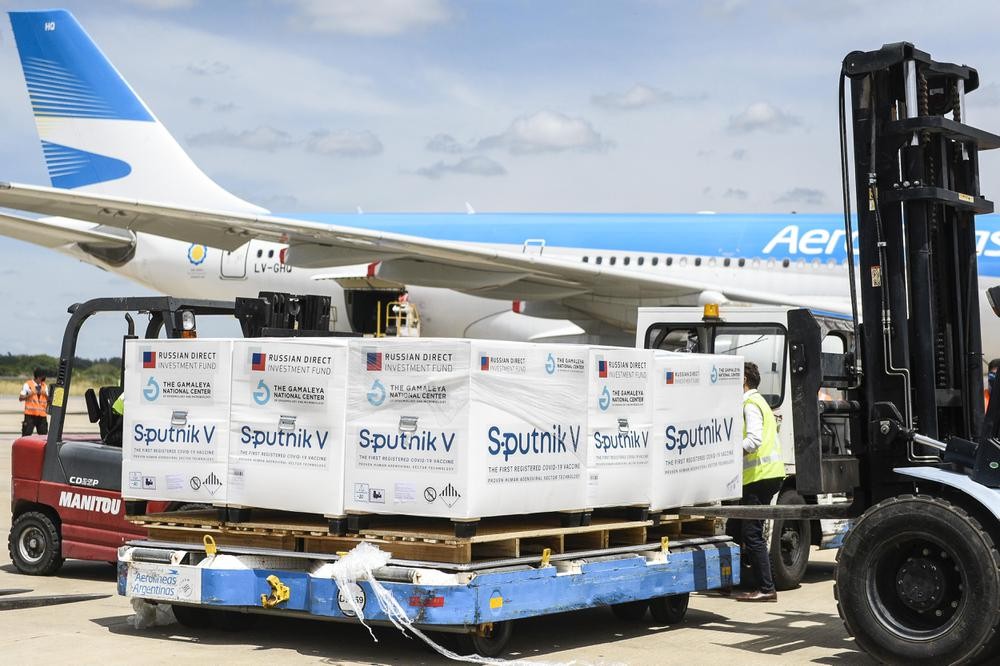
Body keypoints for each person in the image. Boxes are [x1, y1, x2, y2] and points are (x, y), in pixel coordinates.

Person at [734, 361, 785, 602]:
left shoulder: (750, 404)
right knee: (738, 527)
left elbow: (753, 441)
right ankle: (731, 581)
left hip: (759, 476)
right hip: (766, 474)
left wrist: (728, 452)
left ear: (744, 379)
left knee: (752, 534)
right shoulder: (760, 401)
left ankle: (766, 588)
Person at [19, 367, 49, 436]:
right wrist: (30, 394)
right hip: (30, 416)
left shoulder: (44, 386)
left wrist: (45, 394)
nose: (44, 378)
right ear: (38, 377)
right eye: (43, 376)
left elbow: (49, 400)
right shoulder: (28, 385)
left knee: (43, 437)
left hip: (42, 416)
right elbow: (21, 398)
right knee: (26, 436)